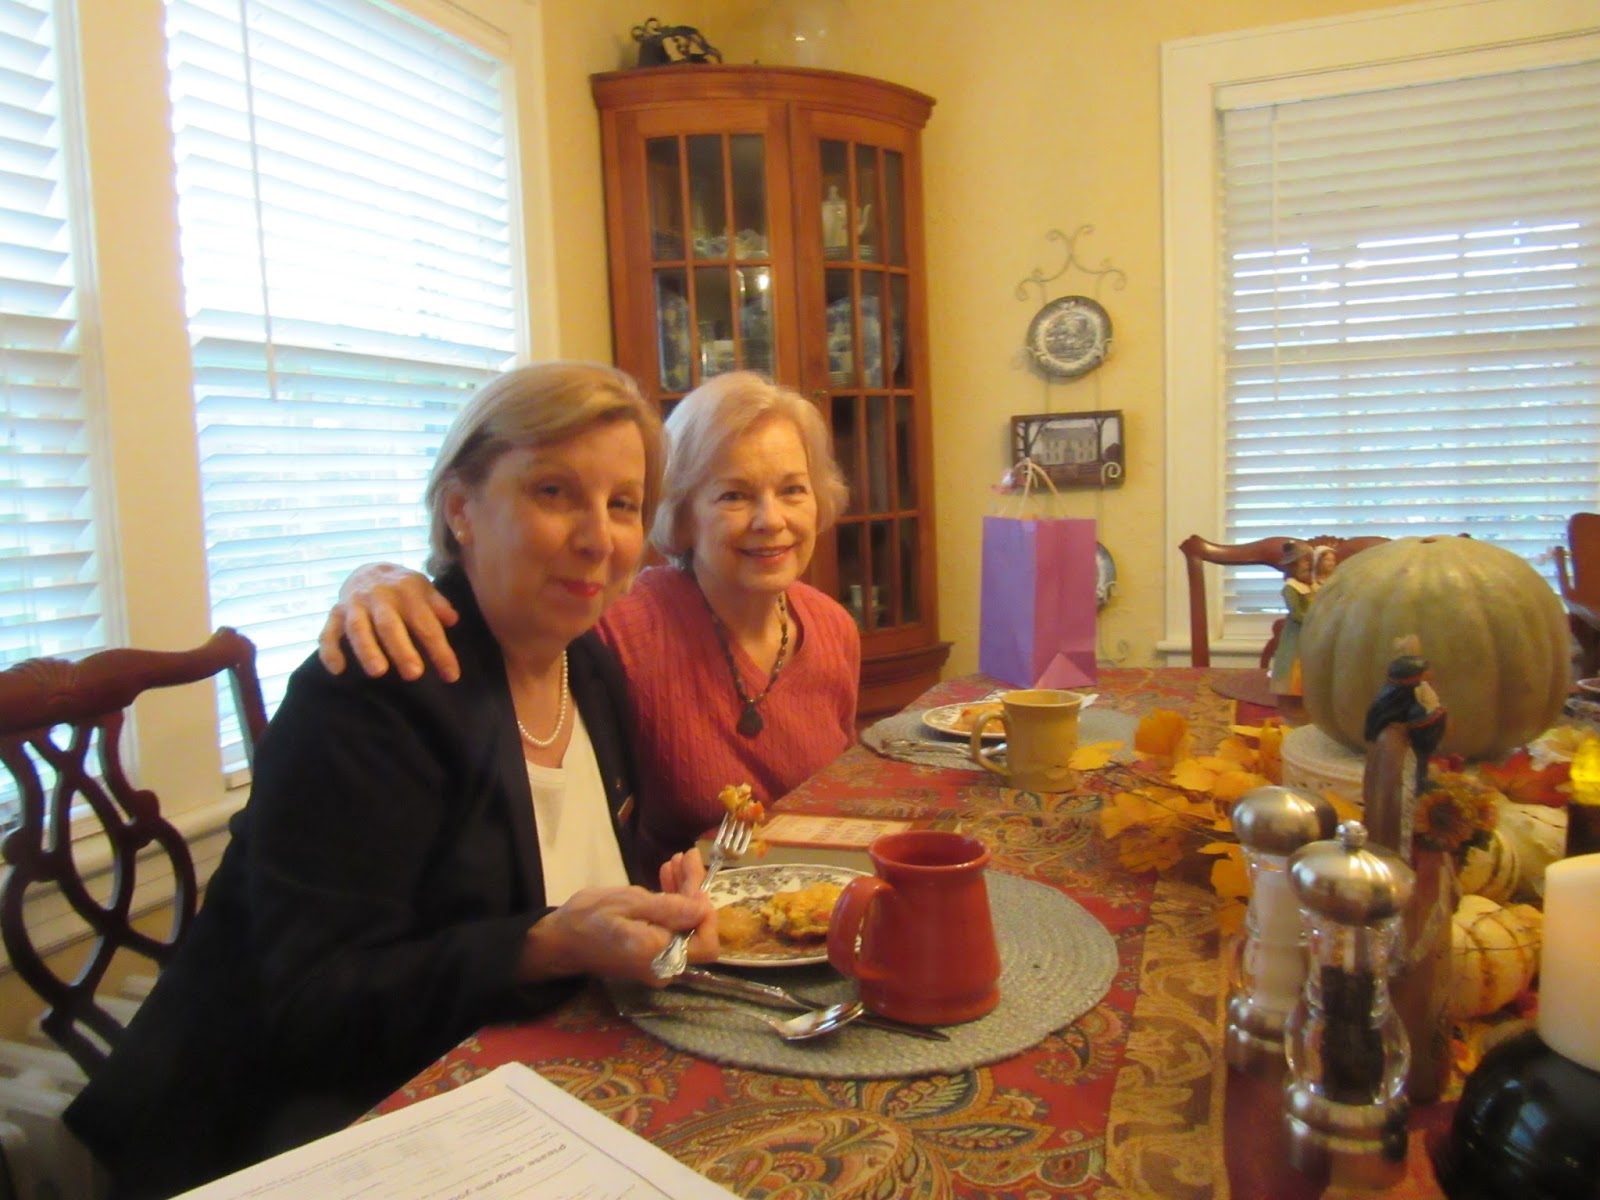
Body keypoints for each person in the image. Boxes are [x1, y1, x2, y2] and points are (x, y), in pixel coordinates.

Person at [64, 363, 719, 1199]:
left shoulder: (587, 665)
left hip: (510, 1088)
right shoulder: (372, 692)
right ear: (460, 509)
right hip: (295, 1129)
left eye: (623, 504)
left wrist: (652, 907)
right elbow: (312, 1003)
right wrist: (546, 944)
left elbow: (562, 876)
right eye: (554, 491)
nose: (599, 538)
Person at [317, 371, 860, 877]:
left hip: (799, 900)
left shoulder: (833, 628)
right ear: (681, 513)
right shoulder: (615, 630)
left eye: (793, 489)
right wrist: (374, 578)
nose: (771, 520)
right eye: (733, 495)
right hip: (679, 919)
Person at [1268, 541, 1316, 697]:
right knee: (1295, 660)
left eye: (1308, 561)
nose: (1307, 565)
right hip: (1297, 631)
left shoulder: (1309, 585)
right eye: (1303, 561)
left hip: (1312, 630)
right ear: (1293, 566)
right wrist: (1311, 621)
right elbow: (1296, 612)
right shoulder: (1291, 588)